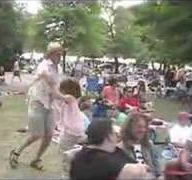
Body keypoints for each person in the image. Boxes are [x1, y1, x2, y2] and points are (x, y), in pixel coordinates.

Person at [9, 42, 72, 170]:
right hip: (38, 102)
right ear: (51, 54)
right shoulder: (44, 67)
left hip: (50, 105)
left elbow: (58, 86)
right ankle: (16, 152)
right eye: (58, 54)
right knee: (37, 134)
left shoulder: (58, 69)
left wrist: (65, 98)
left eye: (61, 54)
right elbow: (53, 87)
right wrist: (65, 98)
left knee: (49, 135)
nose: (60, 56)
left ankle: (36, 159)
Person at [70, 119, 152, 180]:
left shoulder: (82, 154)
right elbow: (137, 172)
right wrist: (142, 168)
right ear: (108, 136)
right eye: (114, 133)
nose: (117, 136)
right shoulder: (98, 160)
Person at [118, 112, 160, 178]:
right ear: (129, 128)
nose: (143, 130)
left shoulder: (149, 145)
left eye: (144, 127)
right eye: (139, 127)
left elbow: (158, 171)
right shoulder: (120, 149)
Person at [58, 78, 87, 172]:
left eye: (61, 89)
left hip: (72, 132)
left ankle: (68, 174)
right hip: (75, 131)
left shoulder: (70, 98)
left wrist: (50, 84)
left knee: (65, 155)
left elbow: (56, 95)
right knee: (70, 154)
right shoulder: (71, 101)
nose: (59, 91)